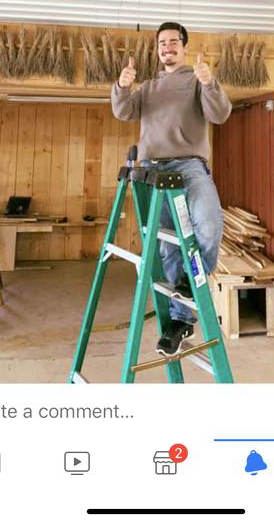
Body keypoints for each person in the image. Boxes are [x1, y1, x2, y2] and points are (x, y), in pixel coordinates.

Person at [111, 22, 232, 356]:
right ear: (157, 49)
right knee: (167, 245)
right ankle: (180, 321)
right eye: (162, 42)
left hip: (189, 166)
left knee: (208, 225)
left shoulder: (196, 80)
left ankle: (191, 284)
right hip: (152, 170)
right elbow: (122, 111)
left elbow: (220, 114)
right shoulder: (147, 88)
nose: (167, 47)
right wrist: (122, 86)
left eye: (174, 41)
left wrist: (209, 83)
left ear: (184, 46)